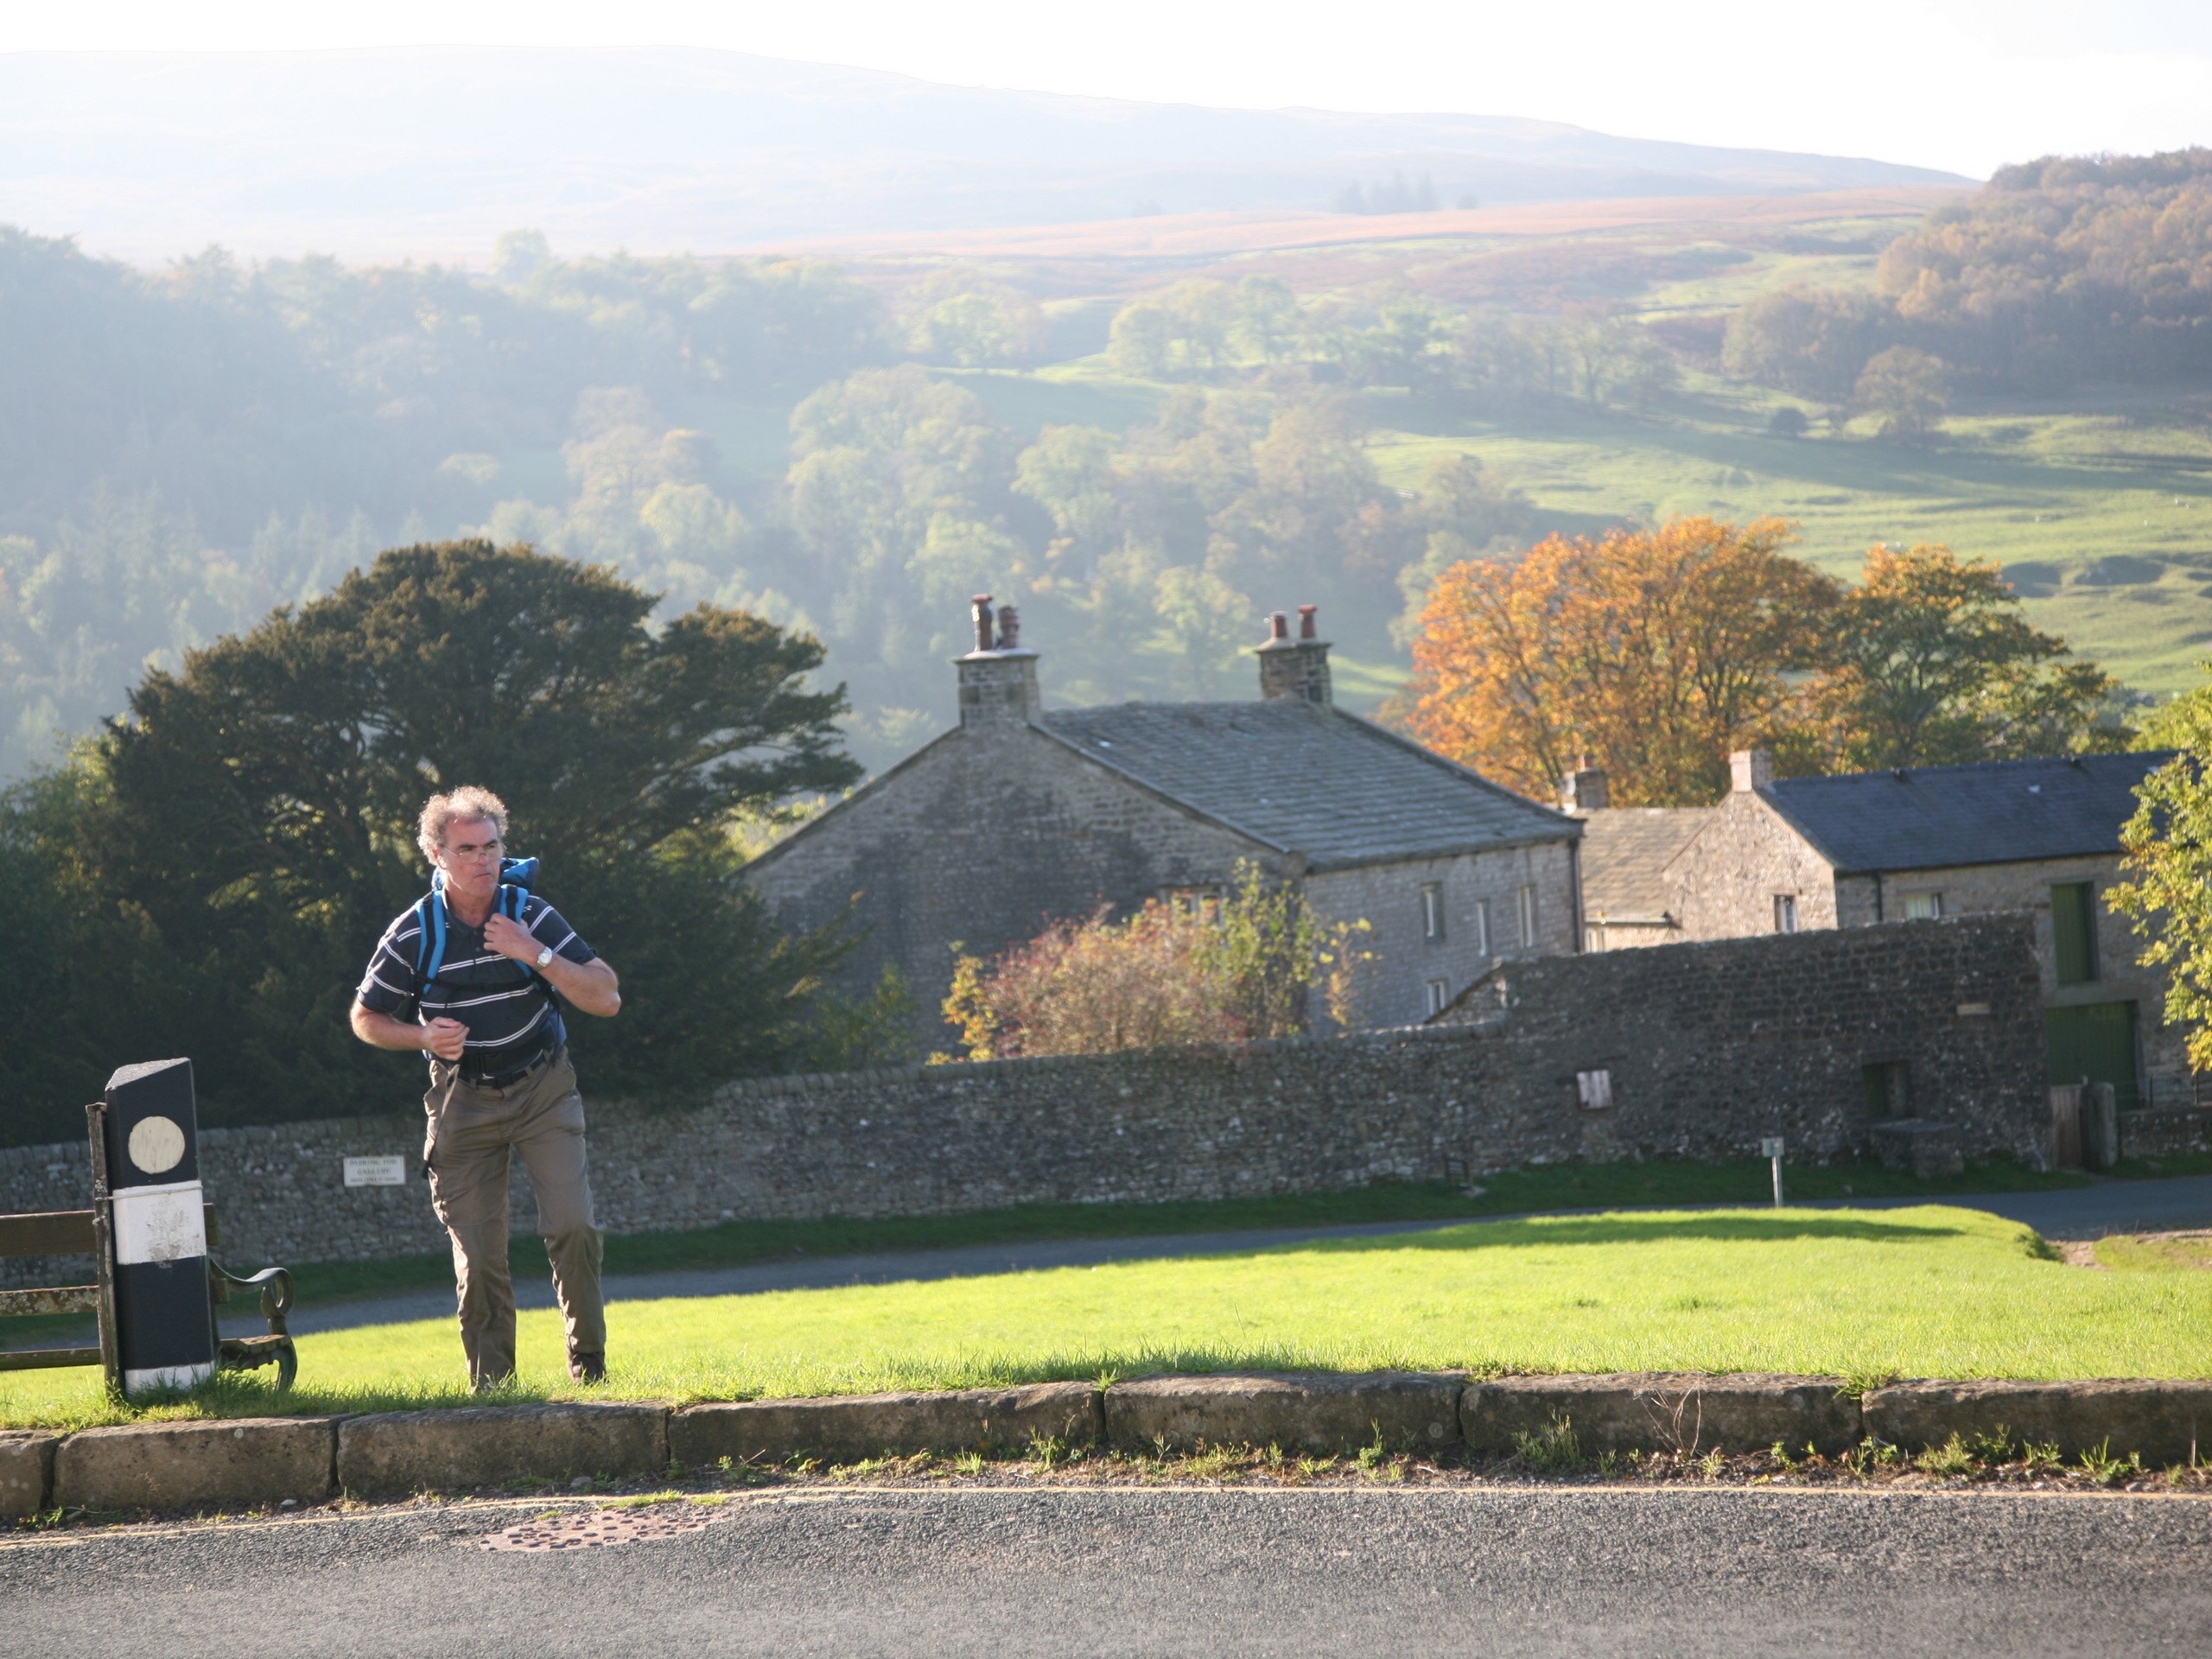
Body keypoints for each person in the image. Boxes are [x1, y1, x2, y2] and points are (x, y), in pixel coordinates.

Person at [350, 785, 623, 1389]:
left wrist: (537, 955)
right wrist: (421, 1038)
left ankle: (590, 1363)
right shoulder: (414, 934)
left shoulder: (529, 913)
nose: (483, 860)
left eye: (491, 846)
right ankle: (495, 1392)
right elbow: (365, 1019)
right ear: (436, 856)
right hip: (462, 1099)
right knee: (480, 1258)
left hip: (543, 1086)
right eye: (467, 849)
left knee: (572, 1225)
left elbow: (607, 998)